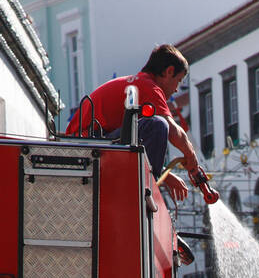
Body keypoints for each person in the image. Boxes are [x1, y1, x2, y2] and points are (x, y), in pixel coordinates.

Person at [66, 44, 198, 202]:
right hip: (88, 145)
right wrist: (192, 158)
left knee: (146, 128)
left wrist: (166, 175)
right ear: (169, 71)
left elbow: (134, 144)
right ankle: (146, 190)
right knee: (158, 124)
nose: (177, 89)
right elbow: (173, 131)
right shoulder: (149, 87)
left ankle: (145, 184)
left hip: (85, 144)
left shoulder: (138, 83)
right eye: (178, 81)